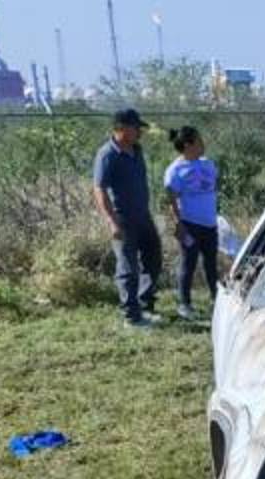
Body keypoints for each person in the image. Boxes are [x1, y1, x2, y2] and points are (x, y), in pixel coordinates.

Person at [92, 108, 162, 328]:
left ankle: (144, 305)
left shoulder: (137, 150)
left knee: (153, 257)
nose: (139, 132)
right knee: (128, 267)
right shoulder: (107, 154)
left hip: (143, 215)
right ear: (121, 128)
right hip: (123, 219)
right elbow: (99, 190)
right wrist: (112, 221)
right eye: (135, 128)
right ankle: (131, 317)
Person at [164, 126, 219, 321]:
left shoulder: (209, 165)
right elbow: (172, 201)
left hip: (210, 225)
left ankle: (217, 301)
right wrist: (179, 224)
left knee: (212, 264)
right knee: (189, 263)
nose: (203, 144)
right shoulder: (175, 171)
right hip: (190, 225)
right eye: (198, 140)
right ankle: (184, 303)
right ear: (188, 145)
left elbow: (212, 193)